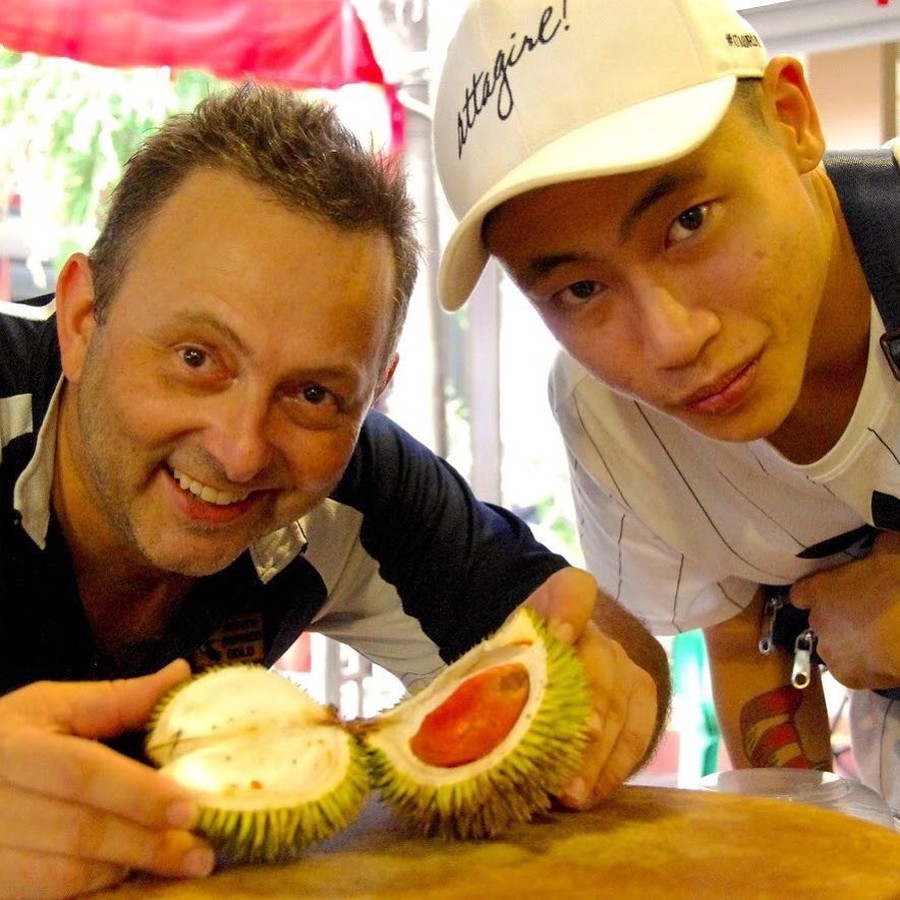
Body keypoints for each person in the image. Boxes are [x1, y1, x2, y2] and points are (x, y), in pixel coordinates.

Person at [0, 82, 670, 899]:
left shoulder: (357, 483)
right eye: (196, 358)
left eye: (313, 394)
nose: (241, 451)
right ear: (81, 319)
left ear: (374, 392)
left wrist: (606, 693)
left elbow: (600, 638)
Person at [432, 0, 900, 810]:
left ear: (792, 119)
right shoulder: (612, 418)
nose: (672, 341)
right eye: (581, 289)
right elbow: (749, 638)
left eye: (689, 222)